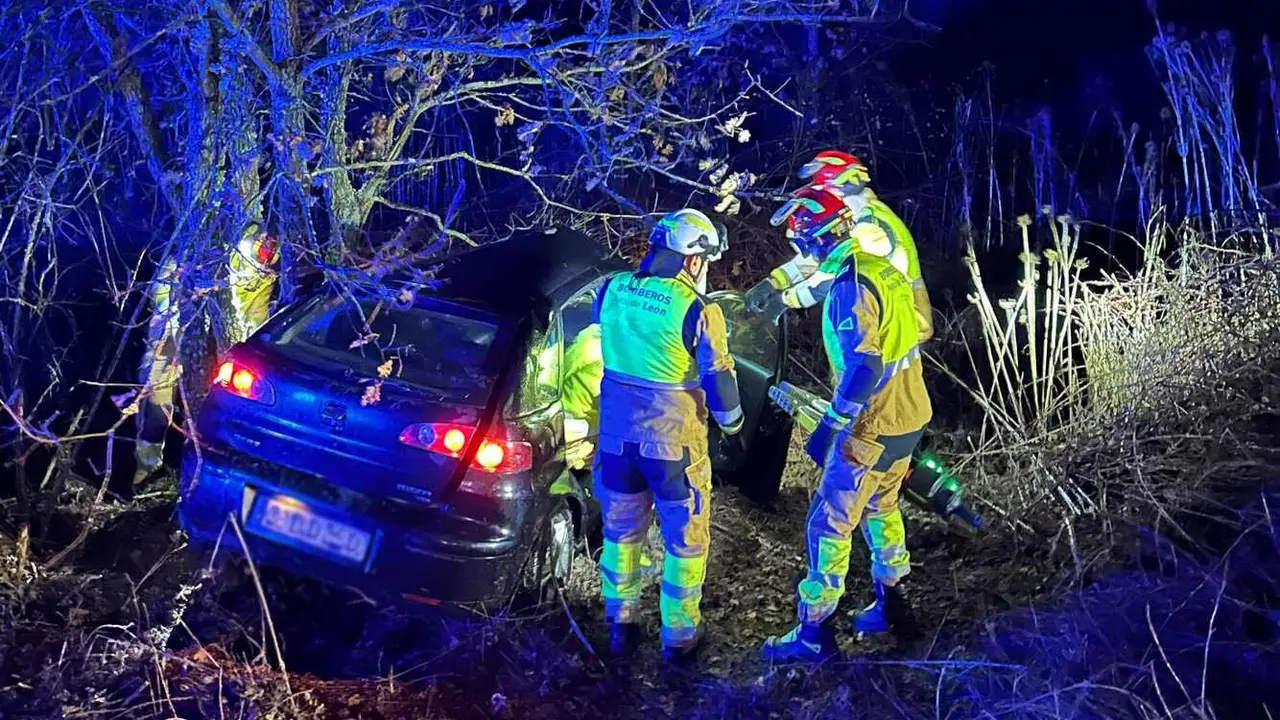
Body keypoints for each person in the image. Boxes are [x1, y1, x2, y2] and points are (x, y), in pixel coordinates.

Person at [760, 186, 933, 663]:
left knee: (829, 524)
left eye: (800, 243)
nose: (800, 252)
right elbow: (920, 327)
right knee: (883, 508)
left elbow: (863, 367)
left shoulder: (848, 287)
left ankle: (815, 633)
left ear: (816, 240)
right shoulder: (883, 269)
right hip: (910, 415)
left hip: (871, 428)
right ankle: (894, 606)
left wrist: (831, 425)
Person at [593, 208, 743, 663]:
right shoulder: (696, 308)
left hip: (617, 442)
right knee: (685, 541)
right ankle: (679, 637)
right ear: (693, 260)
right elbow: (719, 379)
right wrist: (734, 428)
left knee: (620, 535)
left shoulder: (612, 288)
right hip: (673, 447)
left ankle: (621, 624)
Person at [746, 151, 933, 344]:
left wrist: (785, 300)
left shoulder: (871, 226)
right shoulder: (857, 219)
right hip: (881, 326)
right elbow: (818, 260)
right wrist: (773, 282)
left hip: (901, 326)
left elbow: (830, 279)